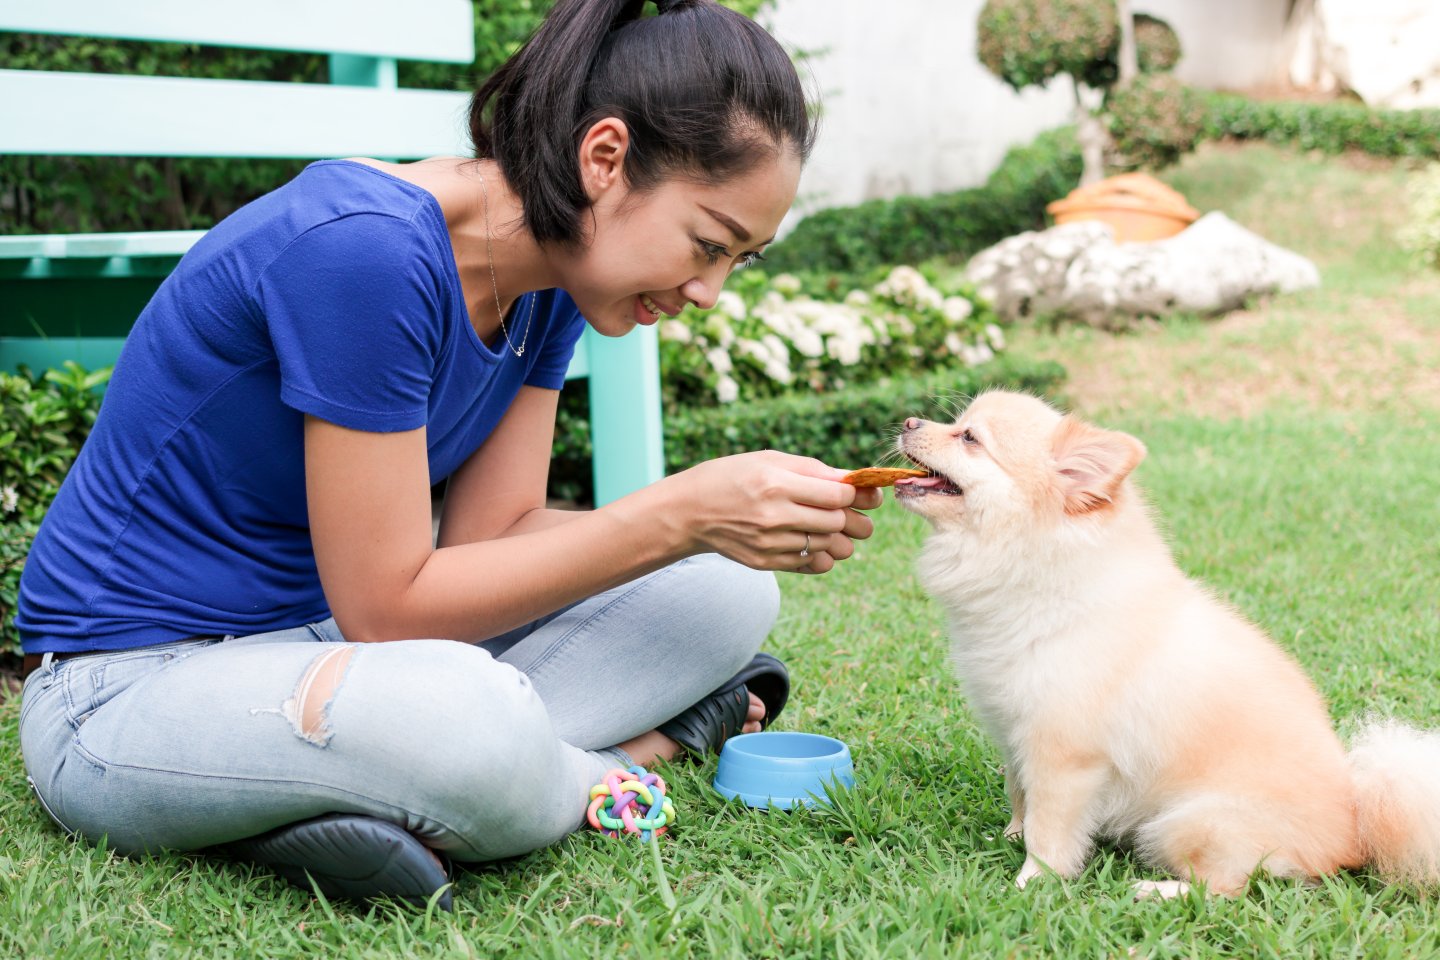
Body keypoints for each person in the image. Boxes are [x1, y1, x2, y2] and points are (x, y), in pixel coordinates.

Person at [15, 0, 881, 909]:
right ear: (605, 159)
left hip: (324, 653)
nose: (709, 291)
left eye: (740, 260)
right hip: (125, 689)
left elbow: (491, 536)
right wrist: (679, 513)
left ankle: (374, 797)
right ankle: (618, 766)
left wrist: (711, 532)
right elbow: (389, 610)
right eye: (708, 243)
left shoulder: (546, 287)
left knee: (727, 588)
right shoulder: (364, 253)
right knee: (467, 722)